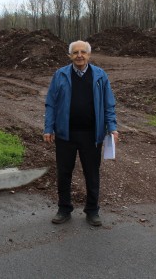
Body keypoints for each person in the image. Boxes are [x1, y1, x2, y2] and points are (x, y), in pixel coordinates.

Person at [43, 40, 118, 226]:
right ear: (69, 56)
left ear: (89, 55)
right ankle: (64, 208)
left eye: (83, 52)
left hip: (92, 135)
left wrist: (112, 127)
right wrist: (48, 128)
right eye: (75, 52)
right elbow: (51, 103)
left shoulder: (100, 76)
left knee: (92, 173)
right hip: (65, 134)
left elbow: (109, 104)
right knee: (64, 173)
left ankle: (92, 211)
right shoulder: (60, 75)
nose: (79, 55)